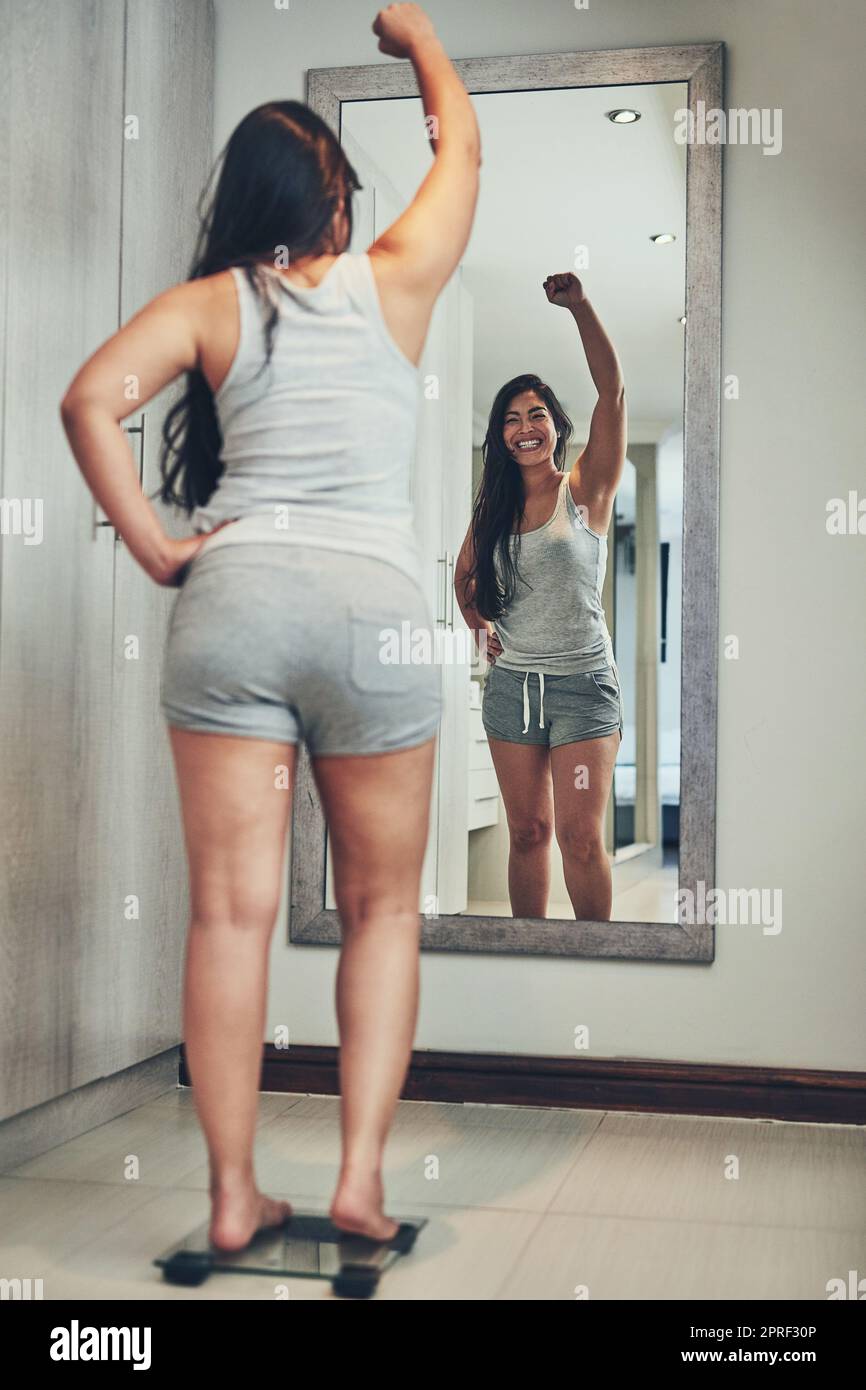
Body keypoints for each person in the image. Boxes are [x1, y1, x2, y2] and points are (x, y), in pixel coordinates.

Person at [60, 2, 481, 1249]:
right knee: (384, 910)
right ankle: (357, 1181)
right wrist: (415, 42)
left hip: (234, 600)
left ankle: (233, 1197)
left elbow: (89, 399)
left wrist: (155, 547)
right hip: (371, 613)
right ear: (337, 201)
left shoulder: (210, 304)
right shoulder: (392, 280)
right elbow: (462, 151)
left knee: (229, 914)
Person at [454, 272, 626, 922]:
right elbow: (464, 576)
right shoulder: (492, 506)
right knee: (528, 834)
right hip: (513, 688)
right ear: (500, 436)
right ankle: (532, 954)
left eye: (537, 416)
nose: (525, 428)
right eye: (511, 419)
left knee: (580, 839)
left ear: (556, 425)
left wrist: (580, 305)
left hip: (584, 685)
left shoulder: (587, 491)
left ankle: (596, 962)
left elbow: (612, 389)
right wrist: (479, 629)